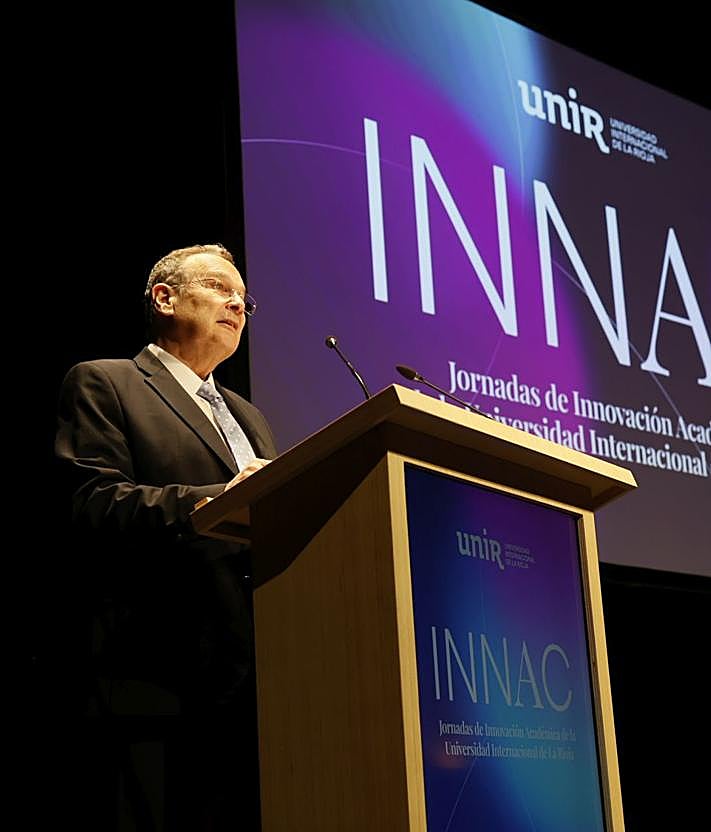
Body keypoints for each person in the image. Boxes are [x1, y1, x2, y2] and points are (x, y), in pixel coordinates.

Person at [54, 243, 278, 831]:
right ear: (165, 298)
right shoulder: (107, 382)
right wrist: (216, 498)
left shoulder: (249, 416)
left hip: (253, 687)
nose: (238, 304)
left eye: (244, 298)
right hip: (154, 678)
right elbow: (93, 504)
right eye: (220, 288)